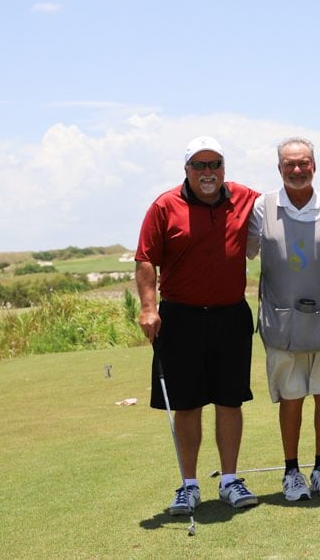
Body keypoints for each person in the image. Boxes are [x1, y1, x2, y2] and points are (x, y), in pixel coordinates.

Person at [134, 135, 262, 514]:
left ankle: (229, 480)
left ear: (224, 168)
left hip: (230, 315)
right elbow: (145, 260)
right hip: (182, 317)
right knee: (187, 405)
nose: (208, 173)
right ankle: (189, 485)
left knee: (229, 400)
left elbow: (287, 199)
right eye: (199, 165)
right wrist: (148, 308)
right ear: (186, 169)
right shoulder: (164, 205)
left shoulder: (245, 197)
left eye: (215, 165)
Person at [247, 137, 320, 502]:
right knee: (292, 395)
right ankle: (291, 471)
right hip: (280, 320)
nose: (297, 169)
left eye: (303, 163)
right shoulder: (261, 208)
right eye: (289, 164)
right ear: (279, 168)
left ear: (314, 166)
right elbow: (238, 252)